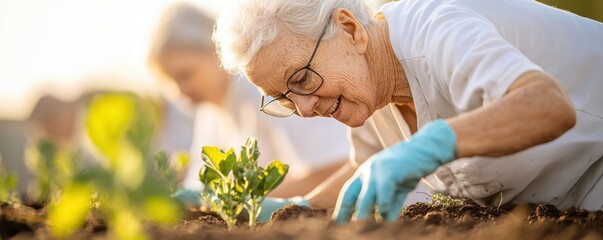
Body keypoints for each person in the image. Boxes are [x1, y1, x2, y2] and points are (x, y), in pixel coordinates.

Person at [213, 0, 603, 223]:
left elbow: (548, 105)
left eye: (300, 79)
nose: (304, 108)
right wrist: (299, 206)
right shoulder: (367, 97)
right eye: (283, 97)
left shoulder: (439, 30)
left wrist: (433, 144)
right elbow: (367, 167)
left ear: (350, 29)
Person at [147, 3, 351, 214]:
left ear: (215, 52)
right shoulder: (210, 113)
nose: (182, 91)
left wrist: (244, 199)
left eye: (185, 75)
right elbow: (199, 189)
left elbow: (338, 166)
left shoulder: (264, 90)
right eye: (172, 81)